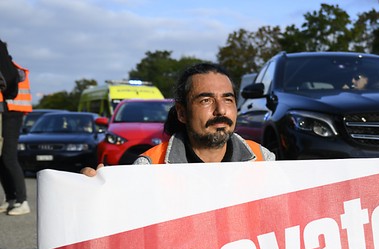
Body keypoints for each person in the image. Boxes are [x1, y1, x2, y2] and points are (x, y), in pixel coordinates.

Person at [82, 63, 274, 176]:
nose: (220, 110)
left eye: (228, 99)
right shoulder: (149, 167)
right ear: (182, 113)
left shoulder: (263, 159)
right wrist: (94, 197)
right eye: (206, 100)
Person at [0, 39, 32, 216]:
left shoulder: (10, 69)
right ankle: (11, 198)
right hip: (8, 110)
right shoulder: (9, 66)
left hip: (12, 111)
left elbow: (11, 87)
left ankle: (22, 201)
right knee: (2, 157)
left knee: (9, 157)